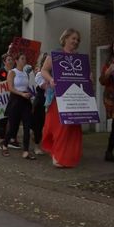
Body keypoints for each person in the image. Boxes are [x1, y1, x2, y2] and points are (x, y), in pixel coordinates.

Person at [40, 28, 83, 168]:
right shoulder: (56, 55)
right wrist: (51, 79)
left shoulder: (79, 58)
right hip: (58, 97)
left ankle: (69, 157)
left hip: (74, 98)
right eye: (73, 38)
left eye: (77, 39)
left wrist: (88, 78)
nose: (75, 41)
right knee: (60, 127)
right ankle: (57, 155)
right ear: (65, 39)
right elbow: (43, 70)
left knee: (72, 128)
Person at [1, 53, 35, 159]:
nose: (24, 60)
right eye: (22, 58)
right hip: (16, 100)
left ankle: (26, 151)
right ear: (17, 61)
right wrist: (21, 94)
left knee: (27, 126)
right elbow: (10, 88)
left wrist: (30, 94)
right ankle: (5, 144)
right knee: (13, 127)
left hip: (25, 101)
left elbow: (28, 86)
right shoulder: (12, 72)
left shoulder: (26, 73)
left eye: (25, 59)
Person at [99, 41, 114, 163]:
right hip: (112, 98)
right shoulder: (109, 63)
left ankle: (108, 153)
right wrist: (108, 71)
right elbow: (102, 81)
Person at [0, 53, 20, 149]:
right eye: (8, 60)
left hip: (14, 99)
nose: (11, 61)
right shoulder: (1, 71)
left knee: (14, 119)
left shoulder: (16, 71)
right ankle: (2, 140)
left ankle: (12, 139)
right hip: (3, 100)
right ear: (4, 62)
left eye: (12, 59)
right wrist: (8, 84)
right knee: (3, 120)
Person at [32, 53, 48, 155]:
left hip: (50, 103)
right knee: (38, 125)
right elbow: (46, 86)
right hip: (40, 103)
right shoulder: (39, 74)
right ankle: (36, 146)